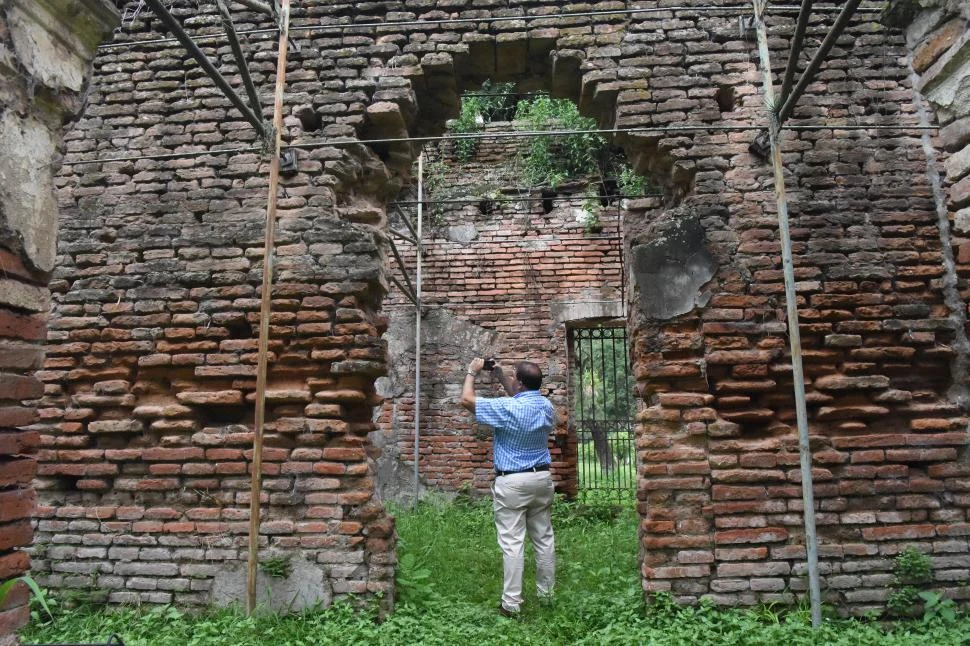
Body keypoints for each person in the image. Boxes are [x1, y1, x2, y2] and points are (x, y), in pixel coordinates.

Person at [460, 357, 556, 617]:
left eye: (515, 378)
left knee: (513, 543)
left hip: (513, 481)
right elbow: (522, 397)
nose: (512, 381)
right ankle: (547, 596)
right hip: (541, 480)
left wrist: (472, 372)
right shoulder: (547, 407)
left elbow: (467, 401)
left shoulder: (507, 408)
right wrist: (502, 375)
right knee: (544, 539)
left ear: (521, 383)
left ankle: (511, 604)